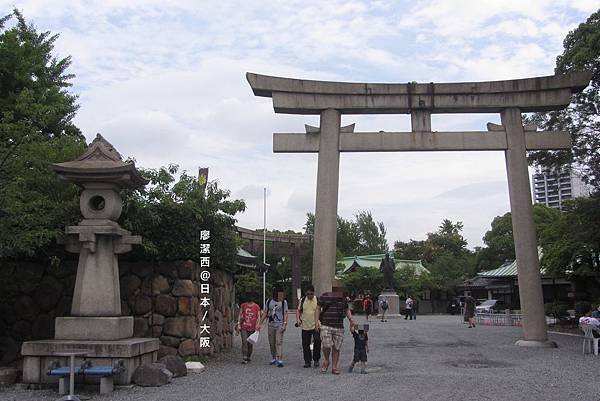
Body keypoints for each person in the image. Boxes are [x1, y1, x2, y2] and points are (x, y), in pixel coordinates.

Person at [315, 291, 356, 375]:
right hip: (326, 324)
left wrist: (351, 319)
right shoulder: (324, 296)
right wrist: (316, 322)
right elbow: (318, 308)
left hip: (339, 326)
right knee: (326, 345)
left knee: (336, 348)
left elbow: (346, 309)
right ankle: (326, 360)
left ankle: (334, 367)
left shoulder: (342, 297)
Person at [260, 287, 288, 367]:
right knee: (272, 343)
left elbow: (285, 313)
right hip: (271, 325)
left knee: (278, 342)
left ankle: (279, 358)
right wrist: (260, 324)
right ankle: (273, 357)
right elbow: (265, 313)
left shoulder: (284, 302)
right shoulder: (269, 301)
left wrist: (285, 324)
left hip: (280, 324)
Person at [296, 285, 321, 368]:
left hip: (316, 325)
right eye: (308, 294)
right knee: (305, 344)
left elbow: (321, 311)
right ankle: (307, 361)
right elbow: (298, 311)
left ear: (314, 293)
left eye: (311, 294)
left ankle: (316, 359)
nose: (309, 295)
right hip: (305, 325)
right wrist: (298, 320)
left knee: (317, 341)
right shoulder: (302, 300)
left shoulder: (317, 300)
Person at [237, 293, 261, 364]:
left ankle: (248, 355)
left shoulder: (256, 306)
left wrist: (257, 324)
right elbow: (240, 314)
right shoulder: (243, 305)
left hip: (252, 327)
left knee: (250, 343)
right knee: (244, 341)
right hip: (244, 326)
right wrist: (238, 323)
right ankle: (244, 356)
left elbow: (258, 316)